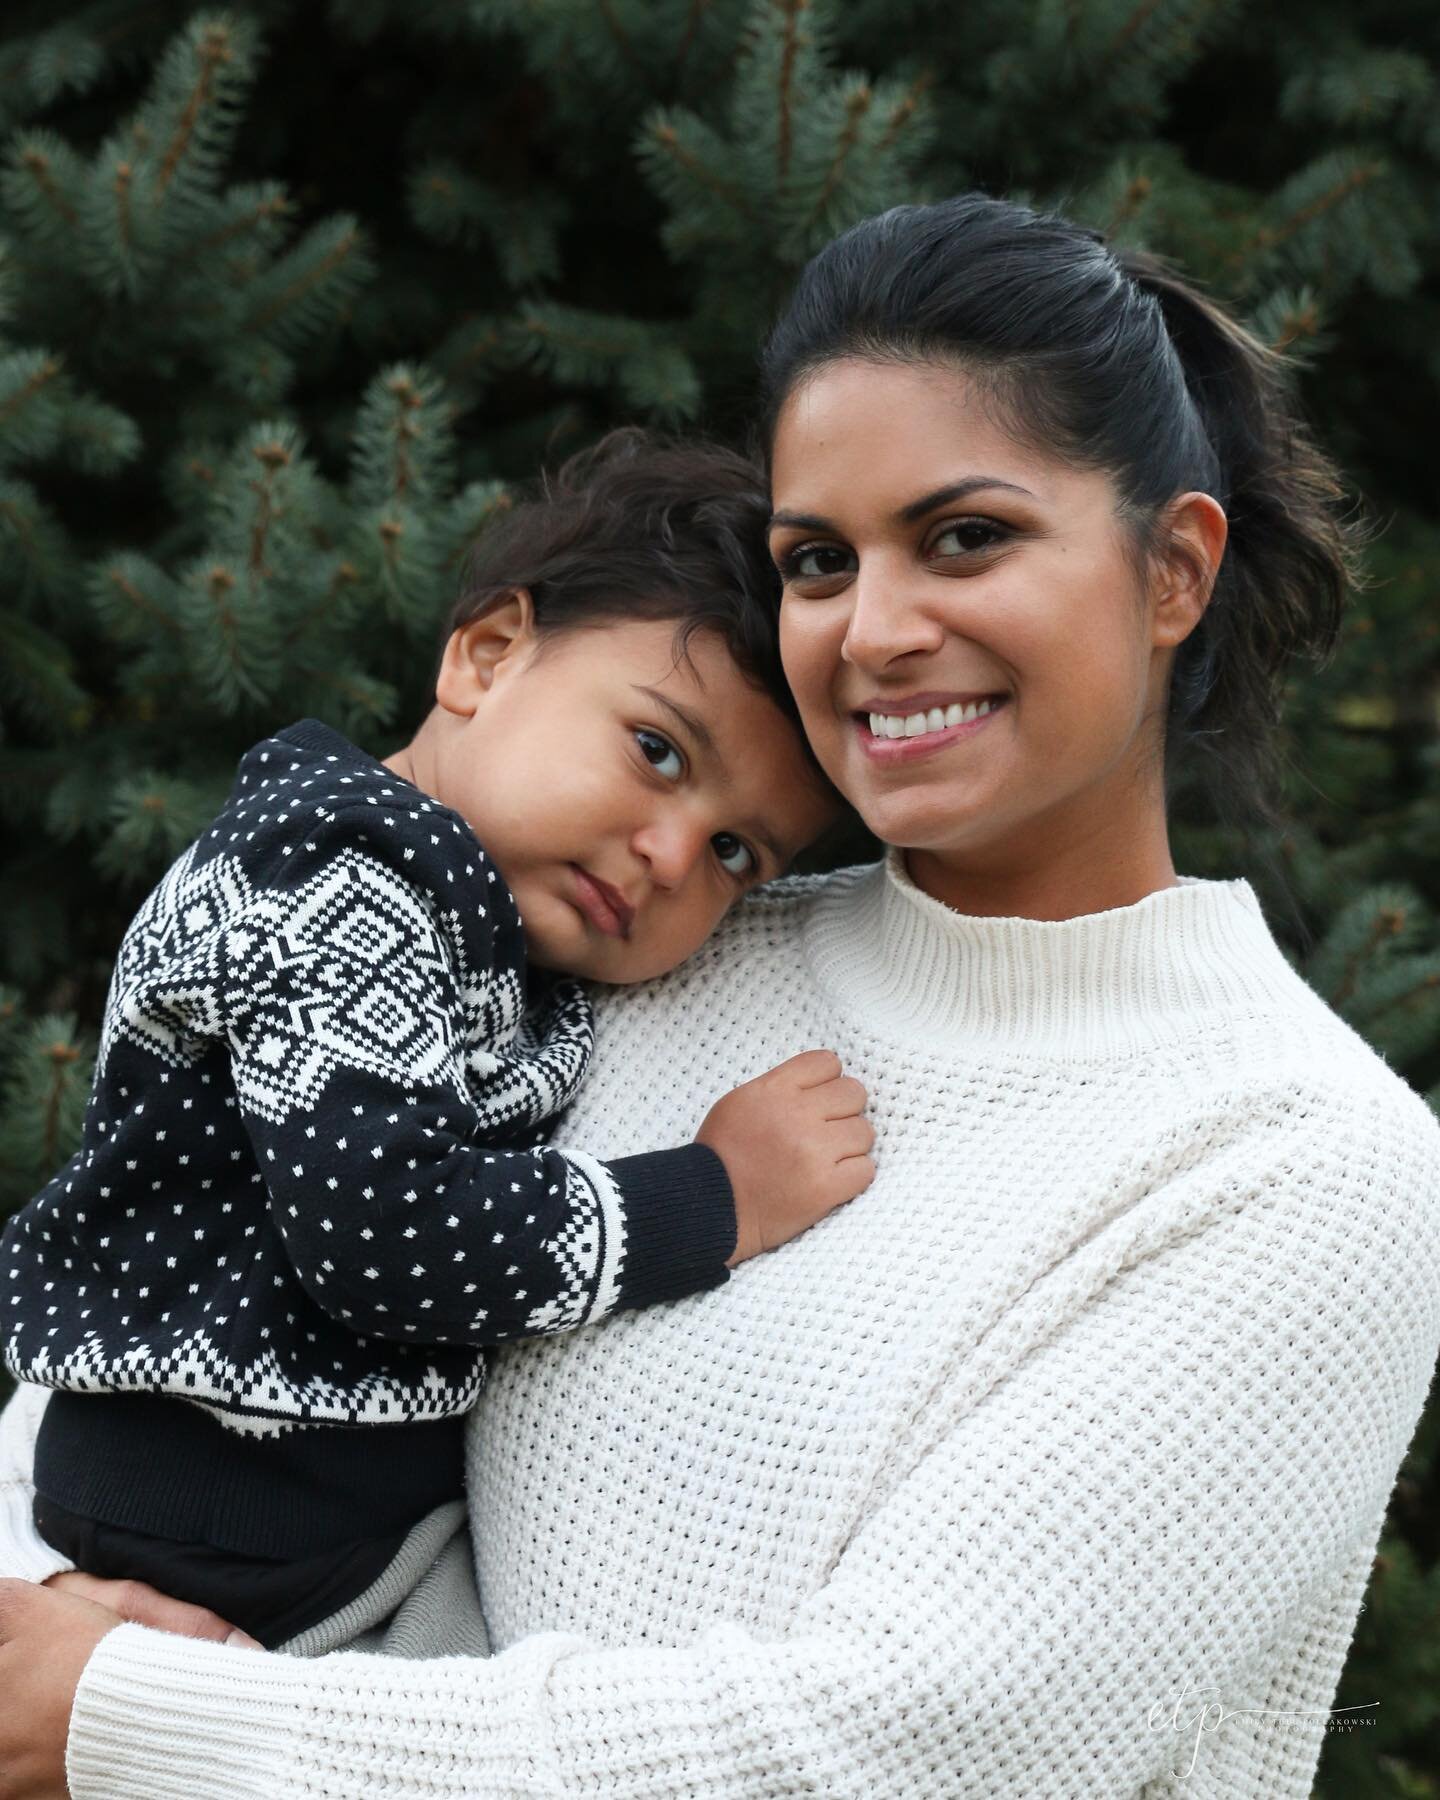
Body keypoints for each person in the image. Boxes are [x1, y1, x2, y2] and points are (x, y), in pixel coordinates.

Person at [2, 191, 1438, 1799]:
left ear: (1172, 568)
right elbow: (173, 1302)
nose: (877, 630)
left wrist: (141, 1723)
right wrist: (58, 1613)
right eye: (818, 560)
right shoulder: (655, 948)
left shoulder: (1294, 1164)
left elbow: (903, 1752)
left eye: (966, 536)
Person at [0, 432, 865, 1650]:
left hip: (315, 1522)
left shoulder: (472, 922)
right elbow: (384, 1234)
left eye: (738, 852)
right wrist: (713, 1197)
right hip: (223, 1538)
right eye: (657, 750)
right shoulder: (338, 884)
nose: (673, 856)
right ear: (488, 655)